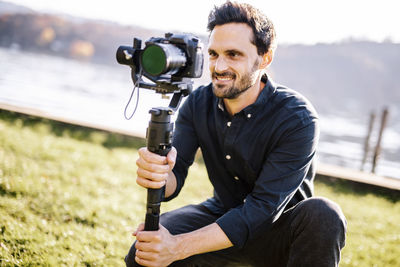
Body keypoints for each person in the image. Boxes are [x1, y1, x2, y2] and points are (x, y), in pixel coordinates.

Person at [125, 1, 347, 266]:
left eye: (233, 55)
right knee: (145, 251)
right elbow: (175, 179)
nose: (219, 67)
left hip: (279, 230)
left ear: (265, 58)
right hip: (221, 215)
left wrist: (179, 247)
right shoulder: (197, 103)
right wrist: (160, 172)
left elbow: (263, 209)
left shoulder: (298, 118)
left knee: (324, 214)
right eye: (214, 54)